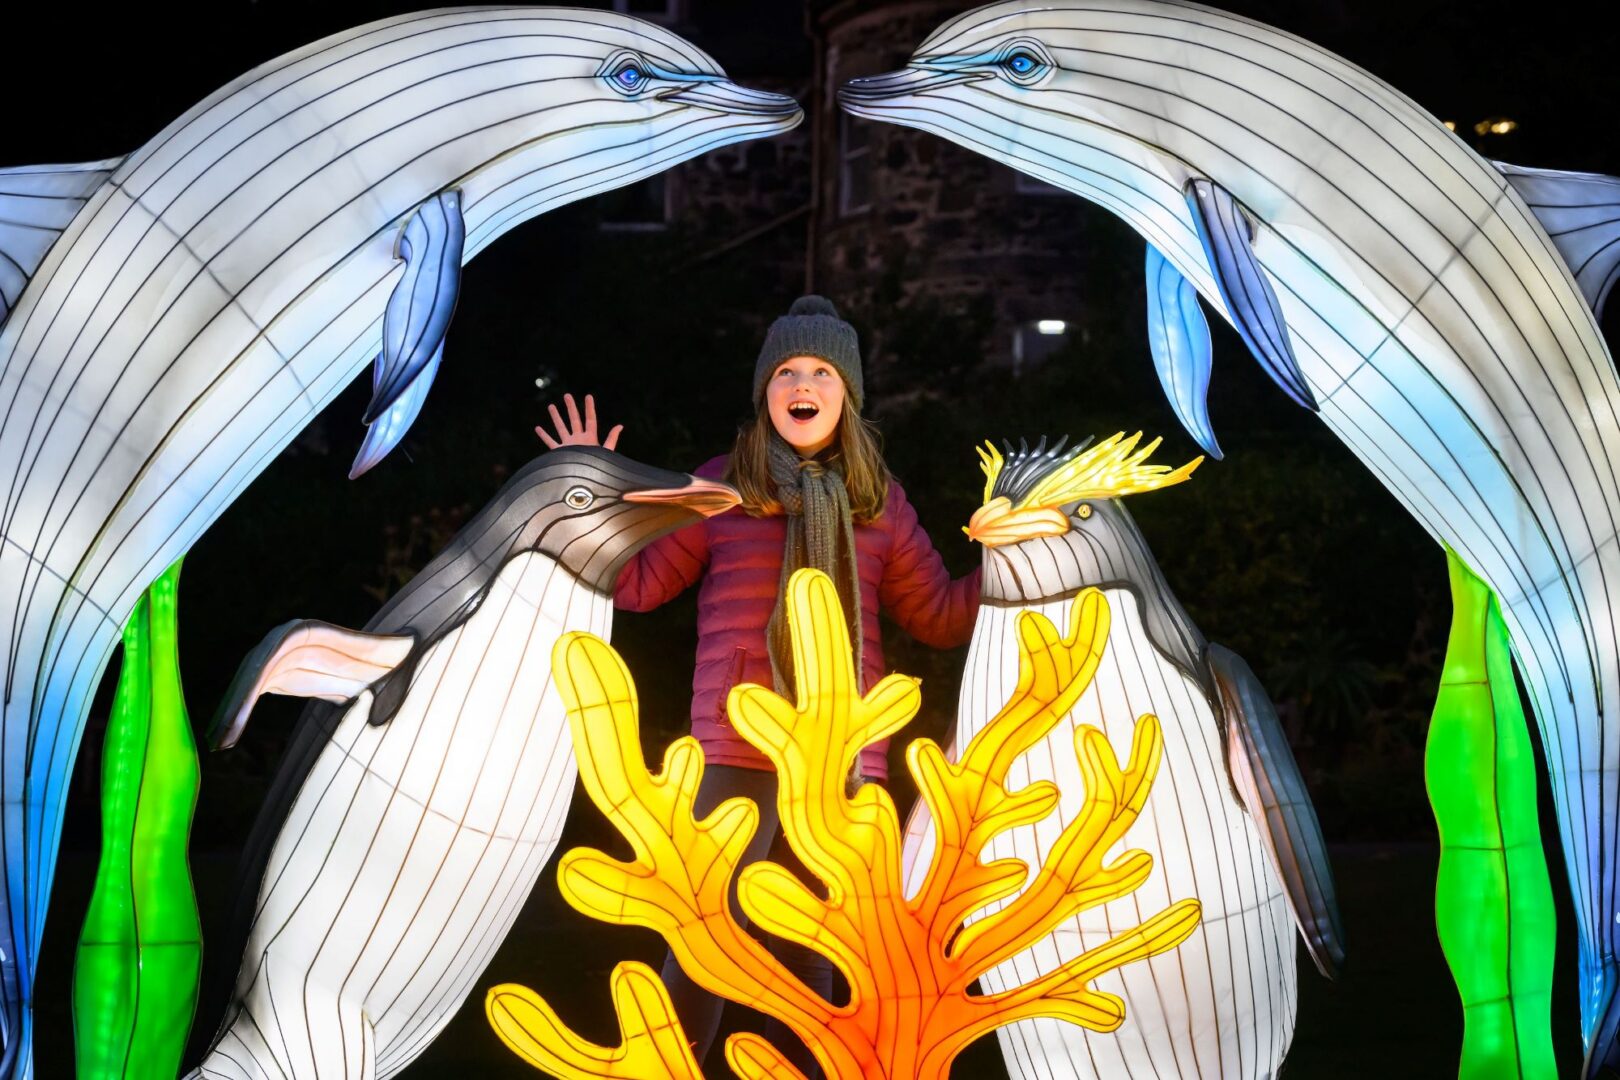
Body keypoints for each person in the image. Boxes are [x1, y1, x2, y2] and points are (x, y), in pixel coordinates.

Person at [536, 295, 978, 1075]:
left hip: (843, 753)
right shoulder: (720, 489)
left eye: (820, 371)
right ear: (763, 391)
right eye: (785, 371)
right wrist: (589, 489)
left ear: (847, 393)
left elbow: (940, 615)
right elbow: (639, 585)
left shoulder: (879, 505)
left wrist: (1018, 564)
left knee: (817, 937)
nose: (801, 384)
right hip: (737, 744)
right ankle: (667, 1066)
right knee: (711, 923)